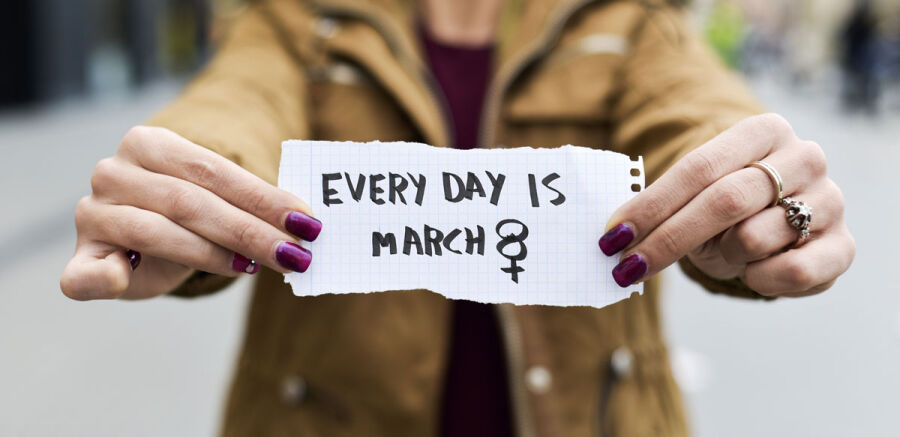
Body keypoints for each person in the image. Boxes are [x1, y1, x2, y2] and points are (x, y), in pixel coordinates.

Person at [59, 0, 855, 435]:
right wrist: (185, 183)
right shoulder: (297, 19)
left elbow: (698, 111)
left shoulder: (625, 21)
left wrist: (751, 183)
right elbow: (237, 104)